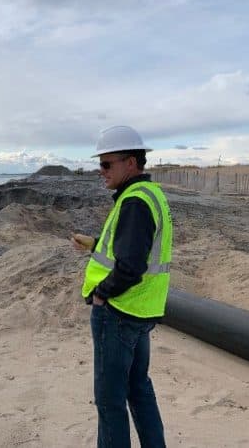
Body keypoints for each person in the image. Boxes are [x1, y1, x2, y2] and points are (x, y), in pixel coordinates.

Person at [72, 125, 172, 448]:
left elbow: (130, 266)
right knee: (139, 389)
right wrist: (95, 244)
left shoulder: (134, 202)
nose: (101, 172)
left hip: (118, 314)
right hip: (141, 313)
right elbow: (129, 248)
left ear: (131, 163)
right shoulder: (150, 195)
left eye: (106, 164)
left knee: (110, 401)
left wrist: (101, 294)